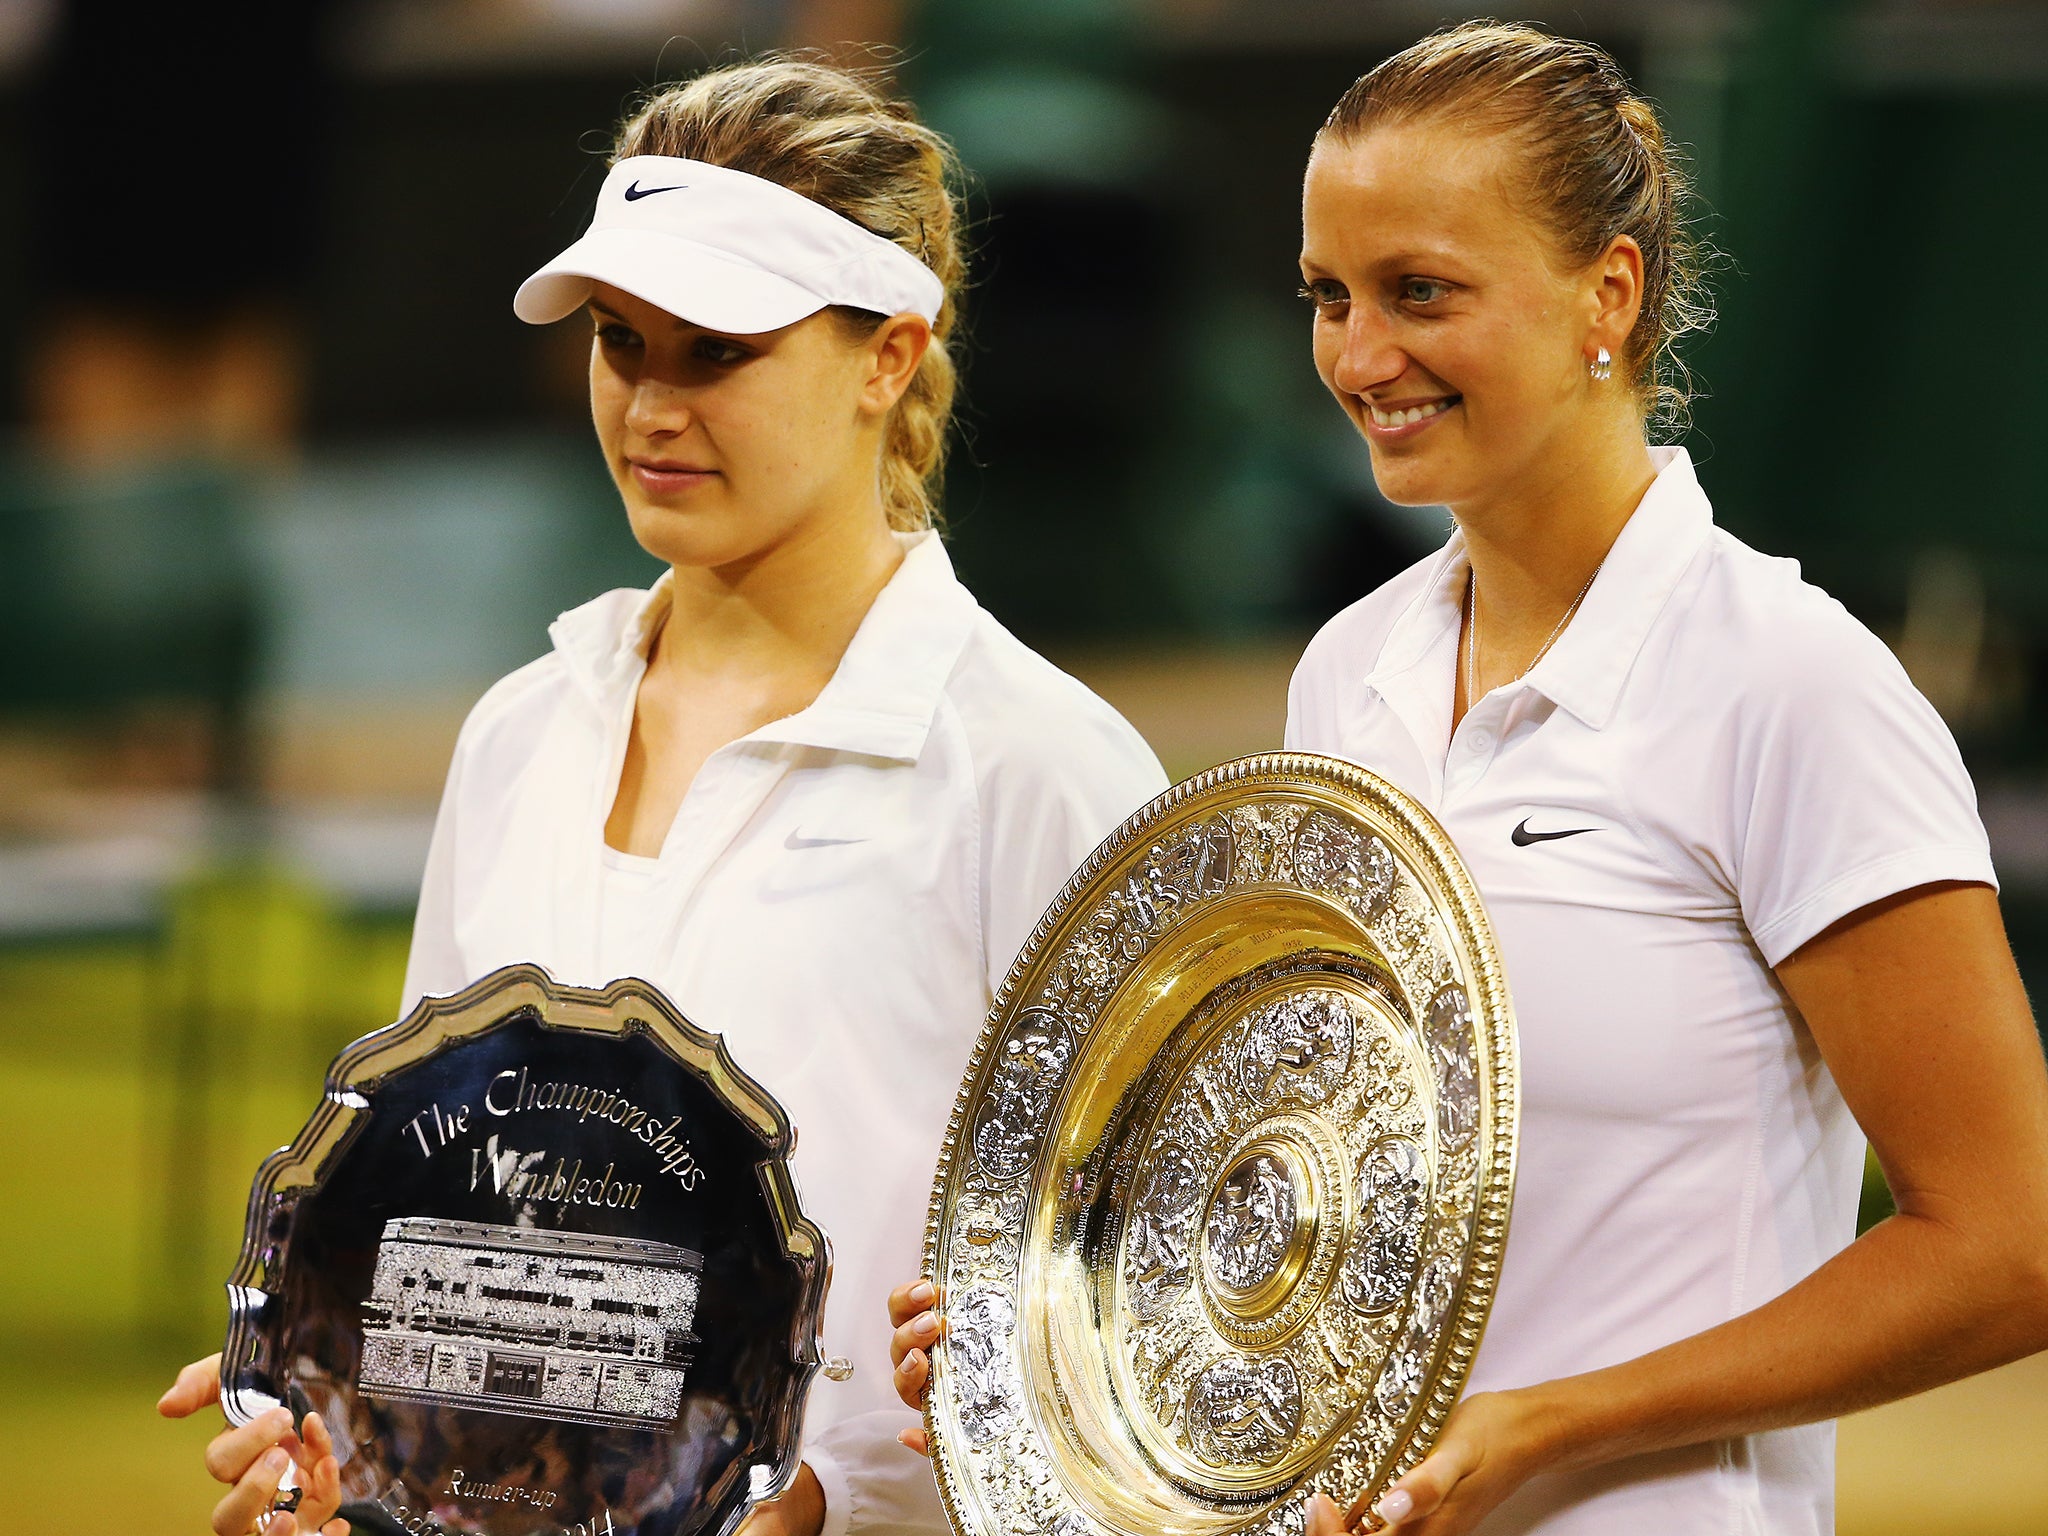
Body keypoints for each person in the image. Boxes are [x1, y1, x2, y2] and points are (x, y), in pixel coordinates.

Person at [889, 21, 2048, 1536]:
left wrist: (1551, 1427)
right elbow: (1336, 1192)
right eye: (1328, 297)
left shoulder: (1795, 686)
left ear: (1607, 296)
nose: (1361, 359)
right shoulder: (1348, 674)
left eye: (1420, 291)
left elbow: (2007, 1243)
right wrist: (1064, 1335)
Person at [157, 56, 1168, 1536]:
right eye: (624, 343)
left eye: (719, 354)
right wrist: (343, 1416)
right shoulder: (519, 735)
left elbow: (1147, 1333)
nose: (652, 403)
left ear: (889, 355)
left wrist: (822, 1497)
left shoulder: (1040, 768)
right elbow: (439, 1208)